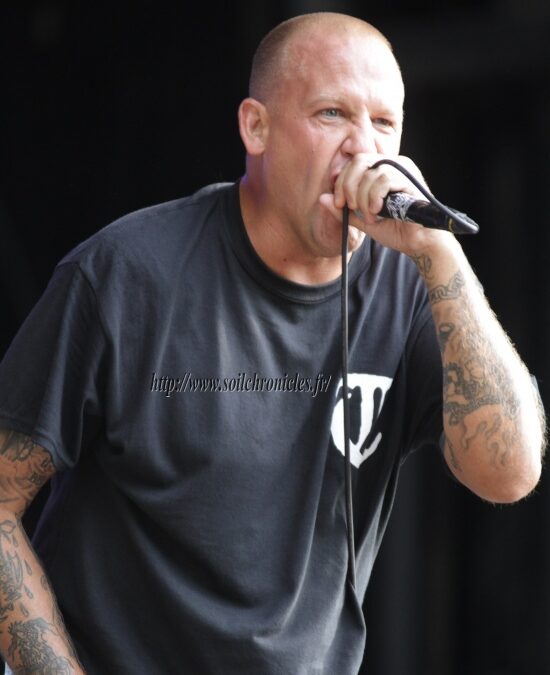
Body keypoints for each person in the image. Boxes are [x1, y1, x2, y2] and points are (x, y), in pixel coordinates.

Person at [0, 12, 544, 675]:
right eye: (332, 114)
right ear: (255, 127)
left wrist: (441, 253)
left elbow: (509, 472)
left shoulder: (414, 288)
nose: (363, 148)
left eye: (383, 123)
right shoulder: (124, 276)